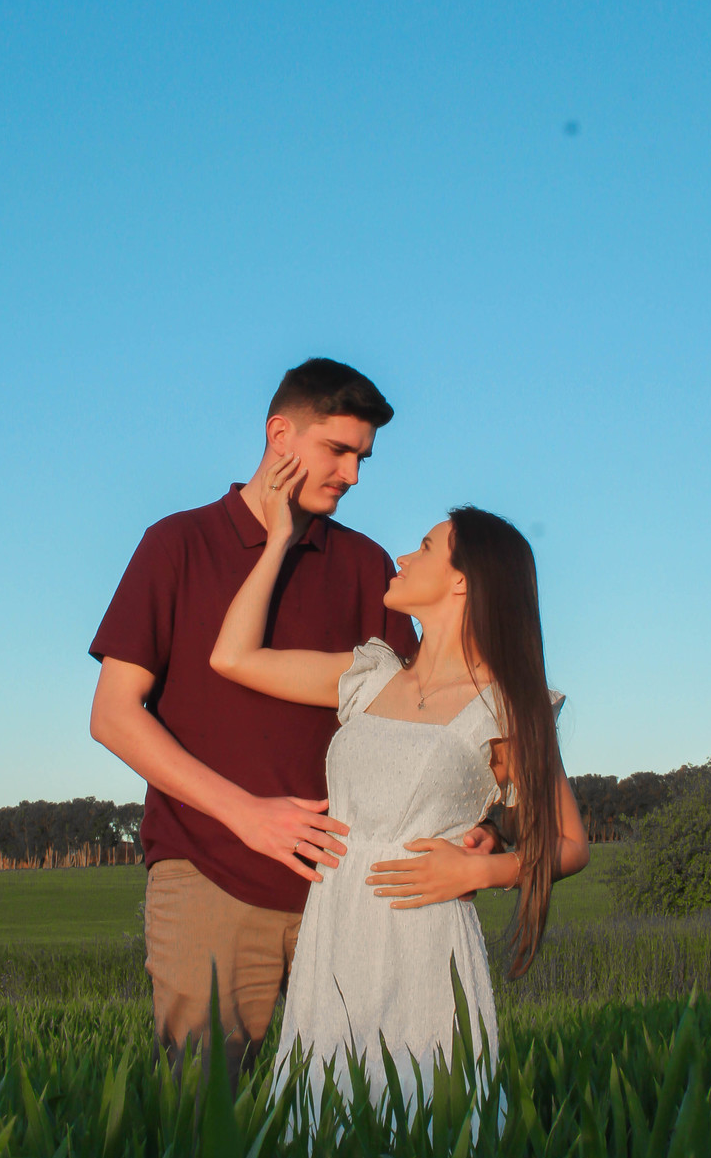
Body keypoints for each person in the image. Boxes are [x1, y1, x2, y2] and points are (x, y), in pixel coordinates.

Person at [88, 358, 502, 1077]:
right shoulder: (177, 544)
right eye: (337, 450)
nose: (353, 474)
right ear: (280, 435)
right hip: (211, 872)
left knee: (358, 1102)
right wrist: (246, 815)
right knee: (205, 1102)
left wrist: (481, 827)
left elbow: (431, 719)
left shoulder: (370, 567)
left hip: (349, 889)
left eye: (363, 457)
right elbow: (114, 717)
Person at [209, 459, 590, 1109]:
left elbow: (570, 845)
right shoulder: (371, 677)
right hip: (336, 920)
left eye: (426, 547)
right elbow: (233, 657)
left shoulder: (507, 707)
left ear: (463, 582)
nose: (405, 557)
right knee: (325, 1114)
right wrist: (277, 542)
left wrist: (482, 871)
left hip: (423, 925)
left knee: (424, 1111)